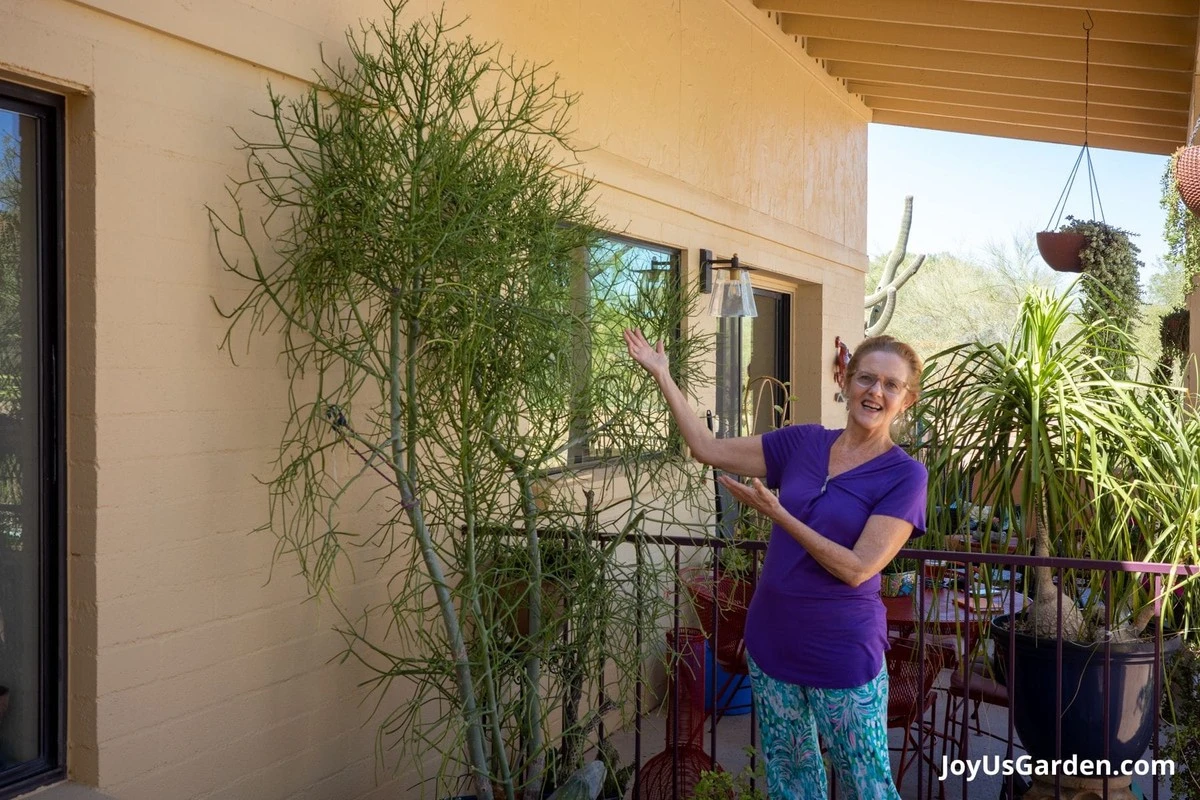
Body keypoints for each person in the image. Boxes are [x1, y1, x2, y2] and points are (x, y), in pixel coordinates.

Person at [624, 328, 928, 800]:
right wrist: (663, 374)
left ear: (906, 400)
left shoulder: (905, 475)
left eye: (891, 385)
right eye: (867, 378)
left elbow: (857, 568)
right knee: (791, 784)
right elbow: (707, 448)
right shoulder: (803, 443)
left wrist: (781, 515)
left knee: (867, 786)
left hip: (842, 652)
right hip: (773, 644)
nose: (876, 391)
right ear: (846, 380)